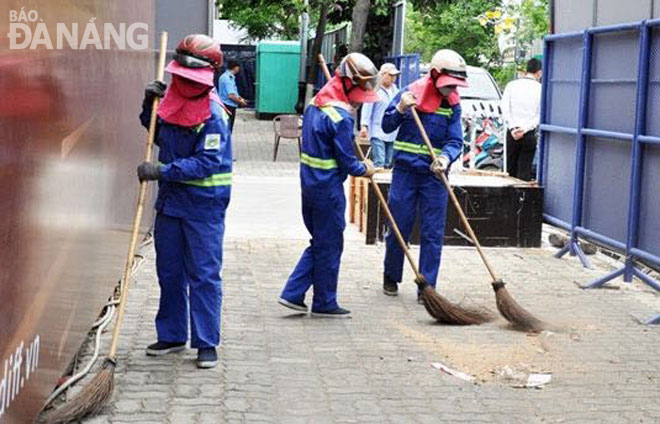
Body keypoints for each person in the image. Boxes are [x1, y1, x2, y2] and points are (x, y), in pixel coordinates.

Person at [137, 34, 231, 369]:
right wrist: (149, 103)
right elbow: (155, 132)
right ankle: (173, 334)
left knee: (204, 274)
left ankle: (206, 342)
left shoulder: (215, 115)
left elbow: (207, 163)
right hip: (172, 204)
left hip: (204, 206)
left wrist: (161, 171)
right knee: (170, 271)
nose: (185, 82)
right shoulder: (172, 99)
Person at [278, 53, 379, 318]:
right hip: (328, 189)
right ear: (348, 83)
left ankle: (295, 295)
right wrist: (365, 169)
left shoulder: (316, 103)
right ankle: (321, 301)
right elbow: (347, 162)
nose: (360, 99)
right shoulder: (341, 118)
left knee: (321, 242)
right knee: (330, 244)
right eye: (359, 92)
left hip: (309, 184)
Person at [381, 49, 468, 300]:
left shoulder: (453, 104)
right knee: (398, 227)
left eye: (456, 85)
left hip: (434, 176)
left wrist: (444, 158)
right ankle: (390, 275)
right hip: (405, 172)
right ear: (435, 76)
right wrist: (399, 108)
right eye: (450, 84)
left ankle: (427, 287)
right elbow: (387, 126)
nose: (453, 89)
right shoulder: (409, 94)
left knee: (432, 232)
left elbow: (455, 140)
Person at [501, 58, 542, 181]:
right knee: (524, 172)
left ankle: (507, 199)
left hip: (511, 134)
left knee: (509, 171)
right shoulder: (541, 89)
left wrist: (513, 127)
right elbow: (540, 115)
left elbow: (504, 108)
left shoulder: (511, 85)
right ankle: (521, 199)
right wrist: (524, 129)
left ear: (526, 70)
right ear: (539, 73)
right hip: (529, 135)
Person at [359, 63, 401, 168]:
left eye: (394, 76)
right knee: (380, 161)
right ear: (382, 75)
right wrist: (364, 126)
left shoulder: (396, 91)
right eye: (390, 75)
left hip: (392, 132)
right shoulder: (375, 90)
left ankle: (385, 183)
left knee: (389, 163)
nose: (393, 78)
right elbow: (367, 108)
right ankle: (376, 182)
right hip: (377, 131)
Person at [218, 60, 247, 132]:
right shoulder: (227, 78)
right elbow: (231, 96)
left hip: (228, 106)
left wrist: (240, 98)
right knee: (227, 129)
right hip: (228, 106)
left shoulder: (228, 77)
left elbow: (234, 92)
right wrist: (241, 102)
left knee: (227, 127)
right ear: (236, 68)